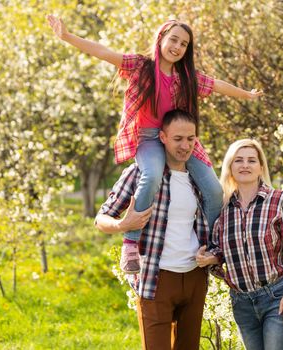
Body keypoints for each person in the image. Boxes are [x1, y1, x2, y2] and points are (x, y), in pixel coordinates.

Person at [46, 15, 263, 273]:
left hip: (179, 139)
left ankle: (213, 247)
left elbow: (216, 85)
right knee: (150, 176)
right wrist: (67, 36)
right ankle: (131, 242)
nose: (177, 47)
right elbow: (104, 52)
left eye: (183, 44)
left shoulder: (187, 77)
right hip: (149, 137)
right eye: (173, 39)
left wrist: (246, 94)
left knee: (214, 189)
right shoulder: (141, 66)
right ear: (161, 39)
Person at [95, 109, 210, 350]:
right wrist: (123, 225)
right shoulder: (141, 174)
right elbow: (101, 218)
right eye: (178, 139)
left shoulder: (200, 178)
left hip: (194, 276)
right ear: (162, 137)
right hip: (156, 279)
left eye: (191, 139)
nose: (185, 145)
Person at [196, 139, 283, 350]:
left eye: (251, 160)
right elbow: (220, 249)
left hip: (276, 298)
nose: (245, 165)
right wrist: (211, 257)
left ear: (261, 167)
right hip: (241, 303)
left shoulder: (278, 200)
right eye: (239, 160)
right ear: (230, 167)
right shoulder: (223, 209)